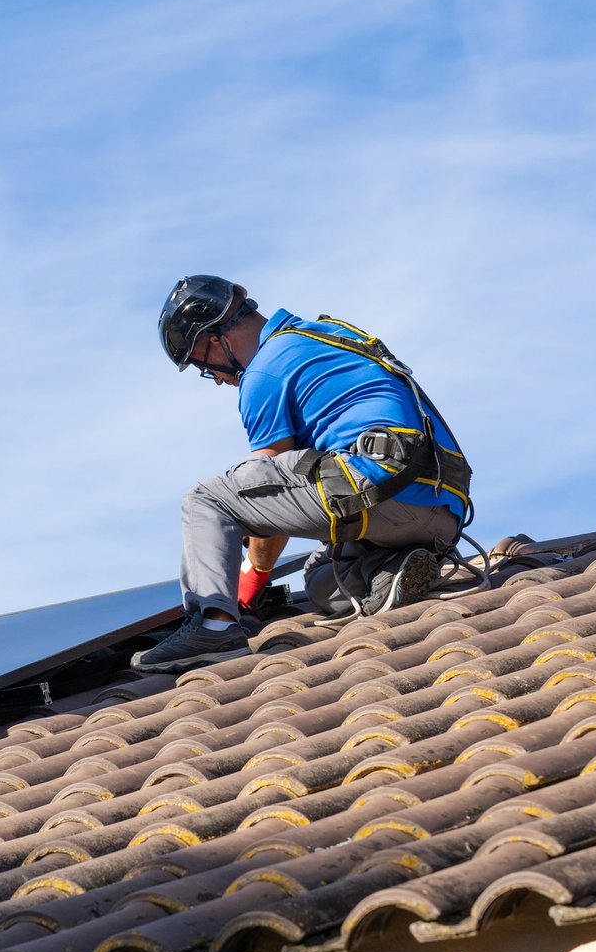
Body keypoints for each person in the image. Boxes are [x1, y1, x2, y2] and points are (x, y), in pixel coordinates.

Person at [132, 276, 472, 673]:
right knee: (322, 580)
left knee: (207, 498)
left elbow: (267, 492)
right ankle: (395, 571)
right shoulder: (322, 336)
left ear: (213, 339)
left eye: (204, 367)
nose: (218, 380)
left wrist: (251, 581)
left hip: (379, 486)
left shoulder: (265, 371)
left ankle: (212, 627)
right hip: (441, 515)